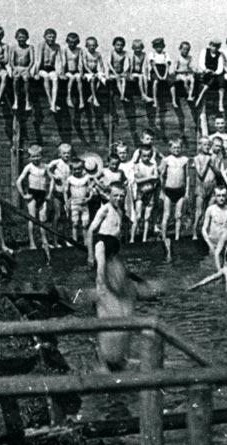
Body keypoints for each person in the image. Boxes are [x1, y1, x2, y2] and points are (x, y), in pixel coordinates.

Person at [81, 181, 138, 371]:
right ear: (109, 195)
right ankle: (101, 307)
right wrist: (90, 254)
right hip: (102, 244)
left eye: (122, 196)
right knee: (101, 279)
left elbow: (118, 233)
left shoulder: (120, 212)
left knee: (119, 283)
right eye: (116, 195)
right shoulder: (104, 209)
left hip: (113, 246)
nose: (119, 199)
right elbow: (91, 230)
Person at [16, 145, 51, 250]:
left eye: (38, 156)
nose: (36, 159)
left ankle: (44, 241)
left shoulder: (45, 166)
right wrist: (23, 195)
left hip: (42, 193)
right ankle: (32, 242)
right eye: (33, 157)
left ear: (41, 156)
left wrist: (49, 193)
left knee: (43, 218)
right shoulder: (29, 167)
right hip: (32, 193)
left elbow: (52, 179)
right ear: (30, 157)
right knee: (32, 218)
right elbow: (18, 181)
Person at [159, 139, 189, 241]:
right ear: (170, 148)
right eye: (174, 148)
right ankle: (163, 236)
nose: (177, 150)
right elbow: (162, 176)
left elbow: (187, 176)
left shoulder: (185, 160)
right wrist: (161, 192)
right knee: (166, 215)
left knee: (178, 215)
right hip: (169, 190)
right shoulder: (167, 160)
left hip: (180, 190)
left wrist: (187, 191)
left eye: (179, 147)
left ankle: (177, 237)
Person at [47, 143, 72, 247]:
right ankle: (55, 240)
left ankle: (66, 238)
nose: (66, 155)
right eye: (64, 153)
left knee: (66, 216)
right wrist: (53, 176)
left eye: (68, 153)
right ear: (60, 154)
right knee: (57, 216)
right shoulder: (57, 162)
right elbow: (47, 168)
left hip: (68, 193)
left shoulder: (70, 164)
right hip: (58, 192)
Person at [63, 158, 92, 243]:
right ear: (71, 170)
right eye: (75, 169)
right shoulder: (70, 179)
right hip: (74, 203)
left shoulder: (86, 178)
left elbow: (91, 190)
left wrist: (89, 198)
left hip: (84, 203)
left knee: (85, 224)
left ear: (83, 168)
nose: (77, 171)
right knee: (75, 223)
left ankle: (86, 242)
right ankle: (74, 241)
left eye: (79, 169)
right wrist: (66, 202)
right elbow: (65, 191)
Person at [191, 137, 214, 239]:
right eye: (204, 145)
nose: (207, 147)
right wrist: (206, 162)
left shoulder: (212, 157)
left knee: (209, 211)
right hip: (201, 187)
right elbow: (200, 174)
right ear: (200, 146)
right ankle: (195, 232)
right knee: (199, 212)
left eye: (209, 145)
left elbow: (217, 172)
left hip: (212, 186)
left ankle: (206, 231)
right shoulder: (197, 158)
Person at [35, 28, 62, 112]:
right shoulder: (42, 45)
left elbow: (59, 61)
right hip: (42, 68)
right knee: (46, 77)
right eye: (49, 37)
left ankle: (54, 103)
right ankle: (51, 102)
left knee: (55, 78)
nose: (51, 39)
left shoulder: (57, 46)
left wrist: (60, 72)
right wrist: (35, 73)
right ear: (44, 37)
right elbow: (38, 60)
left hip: (51, 68)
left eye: (53, 37)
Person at [201, 186, 227, 255]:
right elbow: (204, 229)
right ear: (215, 197)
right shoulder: (210, 210)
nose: (221, 198)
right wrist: (209, 244)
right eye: (218, 196)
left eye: (223, 195)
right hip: (213, 244)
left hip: (226, 245)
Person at [195, 38, 227, 110]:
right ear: (210, 45)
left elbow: (220, 67)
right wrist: (205, 69)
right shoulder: (205, 51)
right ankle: (200, 97)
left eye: (217, 47)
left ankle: (220, 103)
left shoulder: (220, 55)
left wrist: (215, 72)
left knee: (221, 81)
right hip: (206, 71)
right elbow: (201, 62)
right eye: (213, 46)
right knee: (207, 79)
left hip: (215, 73)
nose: (215, 48)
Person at [10, 28, 35, 111]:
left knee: (26, 78)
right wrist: (14, 69)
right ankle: (15, 99)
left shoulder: (30, 47)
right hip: (17, 67)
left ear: (27, 38)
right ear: (16, 38)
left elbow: (32, 60)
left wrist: (28, 69)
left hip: (25, 68)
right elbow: (11, 61)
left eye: (23, 37)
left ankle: (27, 100)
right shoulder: (14, 48)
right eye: (20, 37)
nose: (21, 39)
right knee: (16, 78)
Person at [61, 32, 84, 109]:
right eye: (70, 42)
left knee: (78, 78)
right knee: (71, 78)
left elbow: (80, 62)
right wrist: (63, 74)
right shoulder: (65, 50)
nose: (72, 44)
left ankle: (81, 99)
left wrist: (81, 73)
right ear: (67, 41)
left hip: (76, 71)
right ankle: (68, 97)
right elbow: (63, 62)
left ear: (77, 42)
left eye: (74, 42)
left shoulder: (79, 50)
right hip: (68, 71)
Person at [82, 37, 107, 107]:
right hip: (86, 72)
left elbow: (102, 65)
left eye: (94, 45)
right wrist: (91, 73)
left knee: (102, 80)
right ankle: (94, 98)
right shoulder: (85, 54)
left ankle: (91, 96)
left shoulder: (98, 54)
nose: (92, 47)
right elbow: (85, 65)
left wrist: (102, 73)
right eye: (90, 45)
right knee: (93, 79)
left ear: (96, 45)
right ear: (86, 46)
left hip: (95, 71)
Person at [148, 37, 171, 109]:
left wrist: (164, 76)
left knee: (171, 82)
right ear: (154, 47)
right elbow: (153, 65)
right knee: (155, 82)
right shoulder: (152, 54)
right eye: (157, 47)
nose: (159, 48)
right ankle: (155, 100)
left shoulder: (165, 54)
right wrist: (159, 76)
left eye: (161, 47)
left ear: (163, 47)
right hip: (155, 71)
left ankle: (173, 101)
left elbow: (167, 65)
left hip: (164, 70)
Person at [173, 41, 197, 106]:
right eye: (184, 49)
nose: (186, 51)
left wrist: (193, 69)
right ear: (180, 49)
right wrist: (183, 70)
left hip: (186, 74)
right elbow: (175, 69)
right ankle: (188, 93)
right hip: (179, 75)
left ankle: (190, 96)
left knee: (192, 80)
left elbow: (191, 66)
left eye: (187, 50)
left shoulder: (189, 58)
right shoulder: (178, 58)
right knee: (185, 80)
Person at [108, 37, 131, 101]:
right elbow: (109, 64)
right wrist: (114, 73)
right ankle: (122, 96)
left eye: (121, 45)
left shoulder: (125, 53)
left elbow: (127, 64)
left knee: (123, 79)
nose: (119, 47)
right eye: (117, 45)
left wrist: (124, 72)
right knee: (118, 79)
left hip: (121, 72)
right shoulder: (111, 52)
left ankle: (122, 95)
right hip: (112, 72)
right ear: (114, 45)